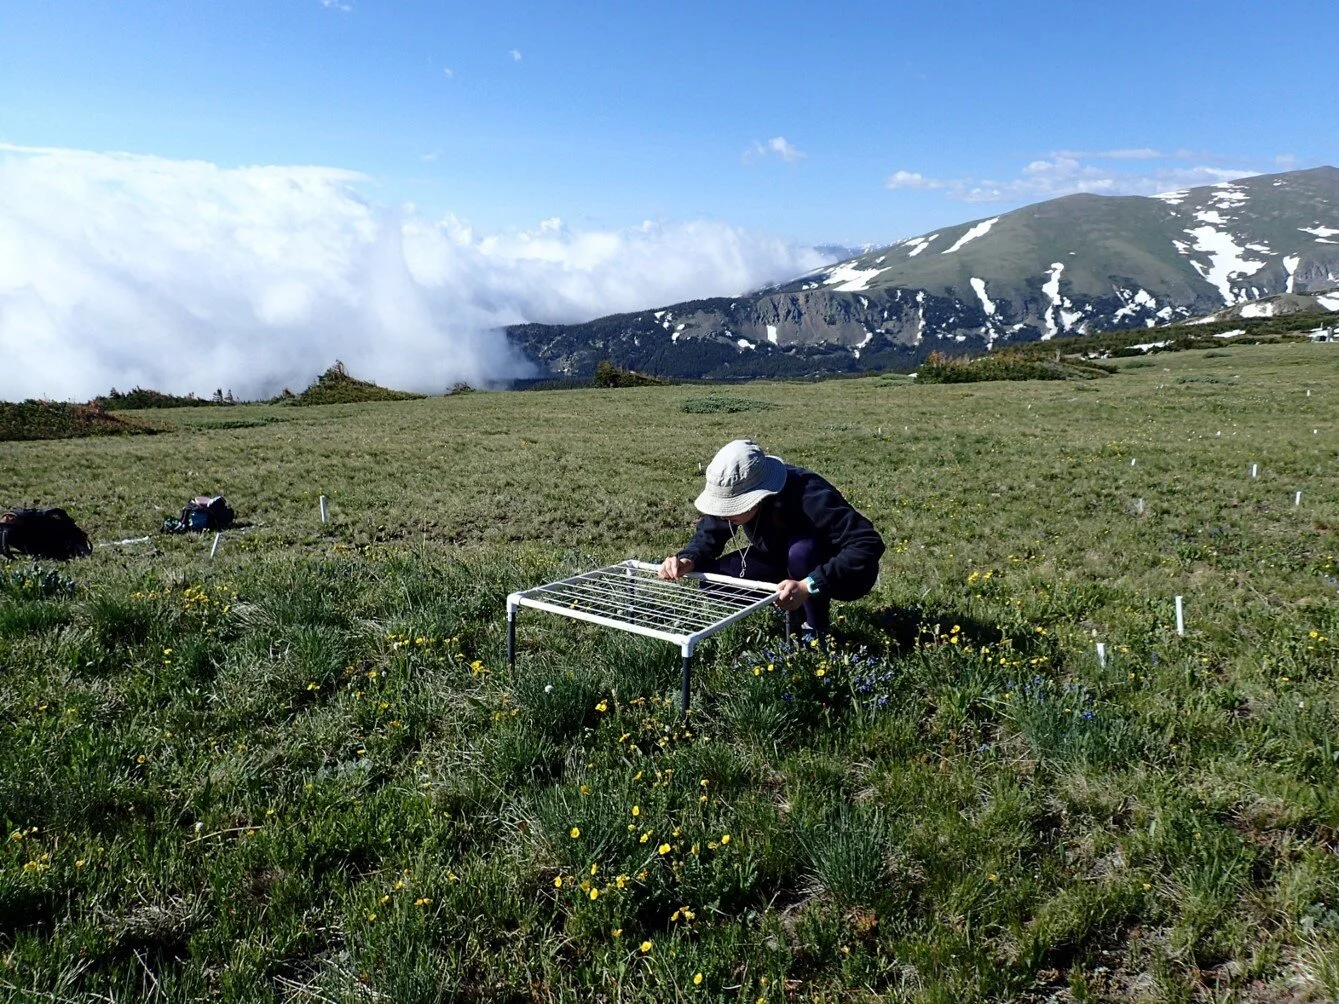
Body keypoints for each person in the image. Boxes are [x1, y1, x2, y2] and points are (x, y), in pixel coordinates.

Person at [658, 439, 884, 633]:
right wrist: (689, 558)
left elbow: (867, 542)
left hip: (832, 568)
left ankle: (815, 628)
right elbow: (709, 534)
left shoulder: (808, 492)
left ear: (758, 496)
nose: (725, 515)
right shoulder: (733, 503)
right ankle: (791, 610)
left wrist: (809, 585)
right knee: (713, 581)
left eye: (732, 506)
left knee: (801, 553)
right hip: (778, 558)